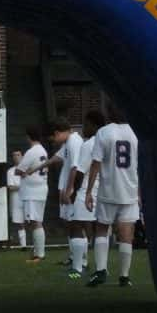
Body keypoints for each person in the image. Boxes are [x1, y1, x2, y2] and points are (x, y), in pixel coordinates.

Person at [84, 102, 140, 287]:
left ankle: (101, 271)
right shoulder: (135, 132)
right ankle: (124, 276)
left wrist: (89, 192)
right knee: (126, 233)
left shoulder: (104, 132)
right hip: (130, 189)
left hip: (108, 189)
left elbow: (96, 162)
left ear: (109, 113)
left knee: (101, 228)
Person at [68, 110, 107, 280]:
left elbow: (81, 172)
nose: (84, 128)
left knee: (76, 226)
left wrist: (74, 192)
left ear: (93, 125)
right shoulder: (105, 141)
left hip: (86, 191)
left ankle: (77, 268)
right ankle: (100, 267)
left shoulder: (89, 144)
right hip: (102, 190)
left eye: (86, 124)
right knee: (97, 230)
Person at [48, 118, 84, 271]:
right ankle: (74, 257)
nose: (54, 142)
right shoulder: (68, 142)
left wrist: (69, 190)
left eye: (53, 138)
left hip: (71, 190)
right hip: (65, 188)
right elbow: (57, 157)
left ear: (57, 133)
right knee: (68, 224)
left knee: (75, 224)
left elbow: (75, 167)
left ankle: (81, 262)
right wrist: (35, 168)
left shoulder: (74, 141)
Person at [15, 126, 49, 263]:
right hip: (40, 187)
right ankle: (37, 251)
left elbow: (18, 170)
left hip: (32, 190)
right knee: (36, 221)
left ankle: (39, 255)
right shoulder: (43, 150)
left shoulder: (31, 151)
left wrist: (20, 163)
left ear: (28, 137)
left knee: (35, 222)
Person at [6, 150, 26, 248]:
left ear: (22, 156)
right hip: (16, 200)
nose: (16, 157)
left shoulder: (28, 169)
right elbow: (10, 187)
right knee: (19, 222)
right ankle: (23, 245)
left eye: (18, 155)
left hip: (28, 198)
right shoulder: (10, 171)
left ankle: (37, 245)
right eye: (14, 155)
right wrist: (22, 187)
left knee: (33, 221)